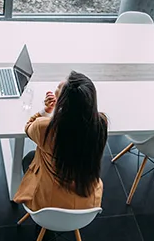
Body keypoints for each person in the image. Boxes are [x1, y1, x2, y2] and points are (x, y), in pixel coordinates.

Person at [13, 71, 108, 211]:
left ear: (63, 102)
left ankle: (47, 228)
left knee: (29, 158)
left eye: (59, 88)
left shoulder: (45, 128)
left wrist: (46, 111)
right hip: (88, 203)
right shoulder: (100, 124)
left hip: (48, 205)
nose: (56, 87)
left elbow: (28, 127)